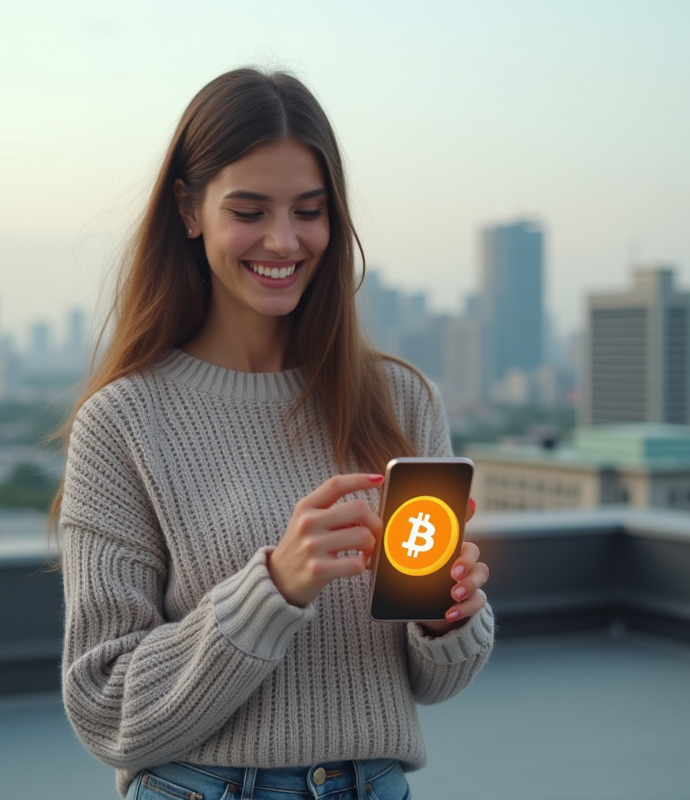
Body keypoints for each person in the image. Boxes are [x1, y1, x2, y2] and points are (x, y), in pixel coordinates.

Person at [50, 68, 494, 800]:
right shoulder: (123, 421)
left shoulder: (402, 401)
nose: (284, 240)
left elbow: (434, 683)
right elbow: (105, 706)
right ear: (189, 208)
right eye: (249, 211)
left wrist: (451, 620)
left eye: (309, 211)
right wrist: (275, 587)